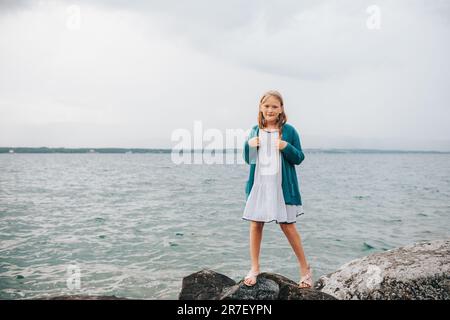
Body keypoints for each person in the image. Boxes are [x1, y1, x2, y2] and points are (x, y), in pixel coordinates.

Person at [242, 90, 312, 288]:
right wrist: (250, 146)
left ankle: (305, 270)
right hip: (259, 185)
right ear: (260, 108)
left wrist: (285, 146)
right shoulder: (254, 130)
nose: (270, 110)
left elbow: (299, 158)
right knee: (256, 224)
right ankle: (254, 267)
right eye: (267, 106)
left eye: (274, 106)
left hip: (282, 187)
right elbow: (248, 160)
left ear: (281, 109)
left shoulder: (289, 131)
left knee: (287, 225)